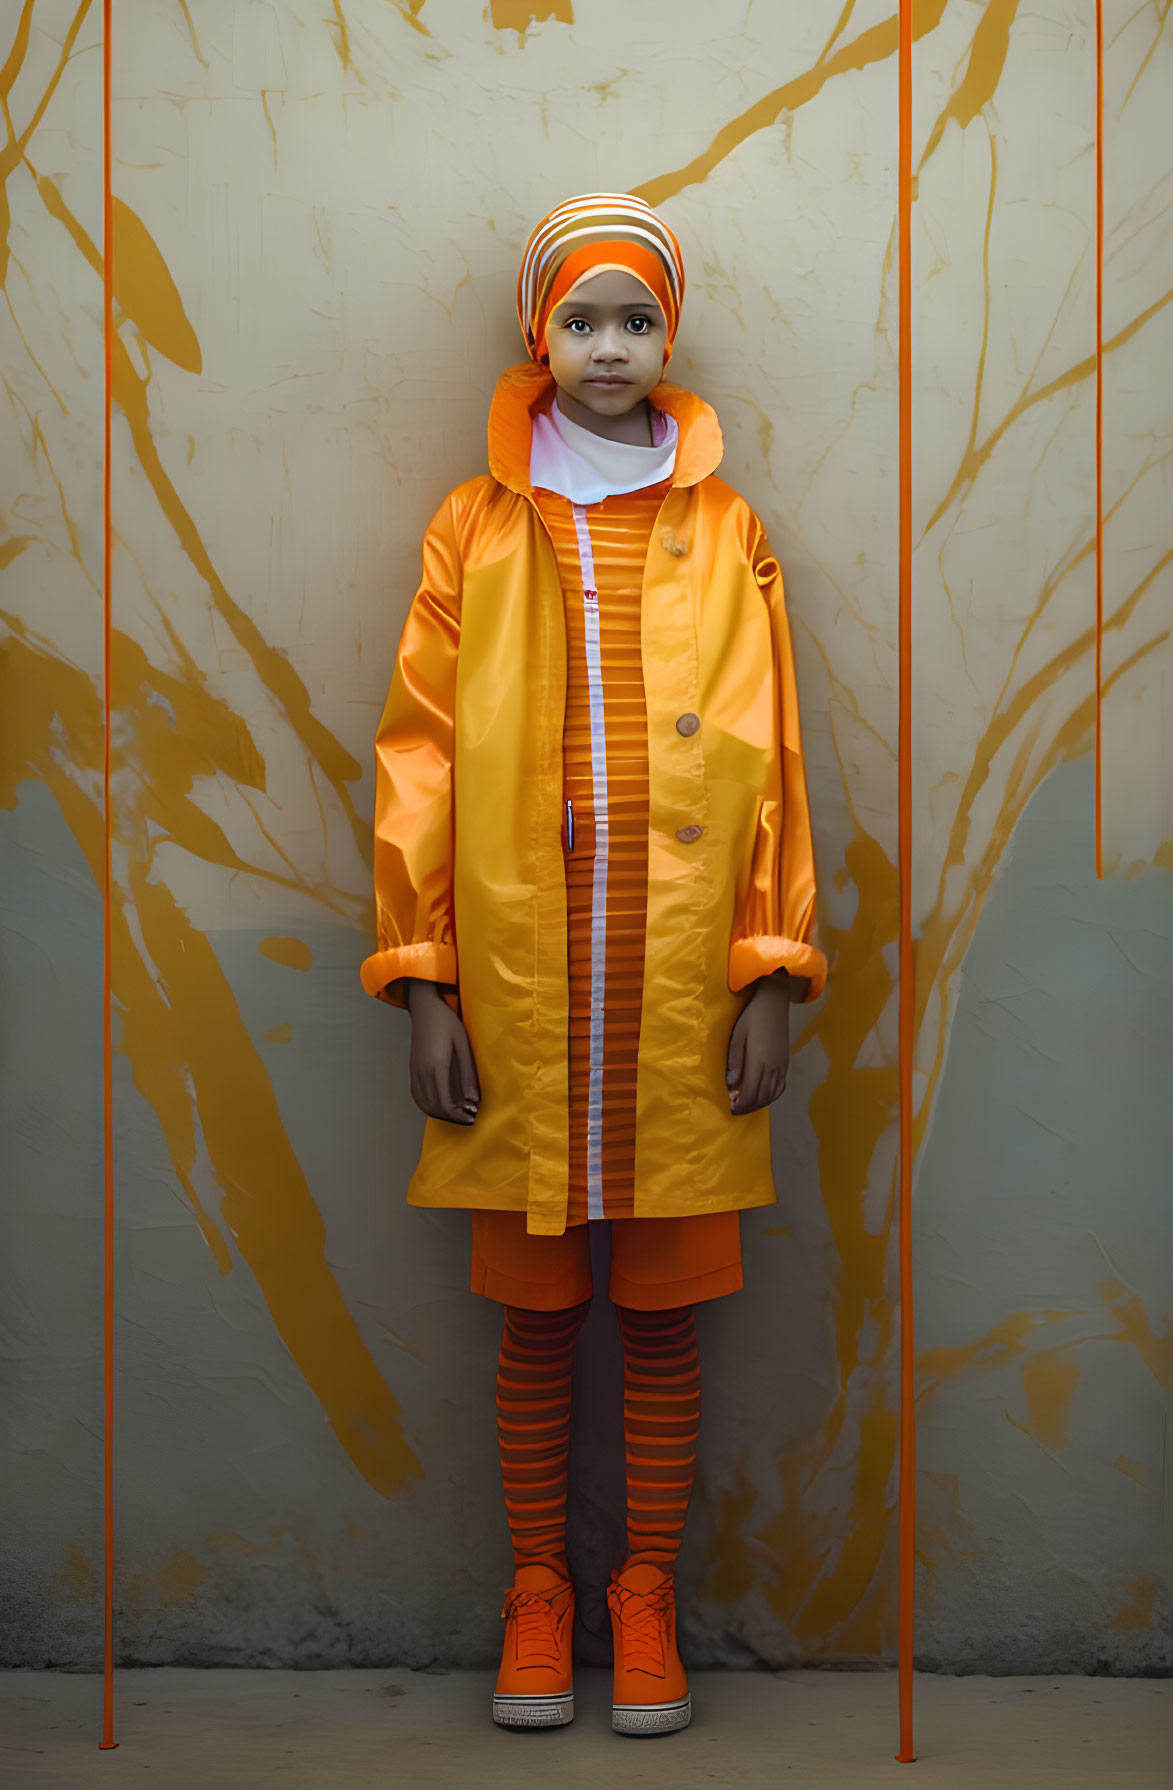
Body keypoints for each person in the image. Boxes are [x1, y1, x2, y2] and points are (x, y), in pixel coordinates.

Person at [361, 192, 827, 1737]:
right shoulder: (476, 522)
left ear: (667, 335)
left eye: (636, 319)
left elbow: (773, 754)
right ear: (535, 333)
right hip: (520, 988)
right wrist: (423, 974)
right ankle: (536, 1587)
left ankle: (643, 1593)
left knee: (667, 1313)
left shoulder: (725, 526)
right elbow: (419, 752)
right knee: (539, 1308)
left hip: (681, 986)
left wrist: (769, 965)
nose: (608, 346)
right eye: (580, 318)